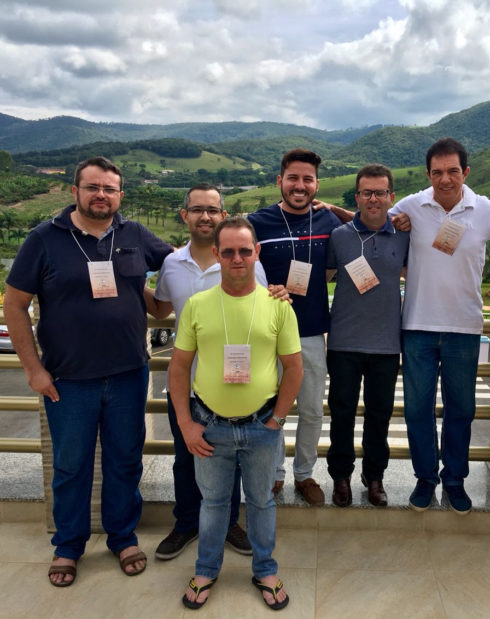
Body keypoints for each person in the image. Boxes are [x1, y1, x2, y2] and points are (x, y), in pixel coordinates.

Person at [4, 156, 172, 586]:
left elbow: (186, 265)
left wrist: (255, 281)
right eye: (93, 187)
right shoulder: (43, 239)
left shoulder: (135, 235)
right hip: (68, 380)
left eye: (109, 189)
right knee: (71, 466)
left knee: (124, 461)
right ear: (74, 191)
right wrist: (33, 369)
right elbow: (15, 305)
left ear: (120, 195)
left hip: (129, 375)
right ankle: (68, 545)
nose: (101, 195)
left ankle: (123, 537)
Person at [389, 138, 490, 514]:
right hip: (417, 325)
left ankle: (454, 480)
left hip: (464, 328)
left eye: (453, 171)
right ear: (428, 174)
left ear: (465, 172)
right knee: (416, 409)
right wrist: (333, 210)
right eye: (437, 172)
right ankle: (425, 478)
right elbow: (371, 222)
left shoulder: (484, 210)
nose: (445, 179)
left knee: (461, 409)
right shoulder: (412, 206)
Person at [170, 216, 302, 611]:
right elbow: (178, 368)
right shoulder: (198, 305)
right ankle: (206, 570)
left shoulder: (278, 305)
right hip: (209, 426)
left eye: (245, 250)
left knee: (261, 502)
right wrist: (186, 424)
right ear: (216, 254)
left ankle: (265, 570)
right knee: (212, 504)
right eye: (228, 252)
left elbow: (294, 368)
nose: (237, 258)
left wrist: (276, 421)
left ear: (257, 252)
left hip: (262, 425)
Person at [145, 183, 280, 560]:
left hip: (233, 386)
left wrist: (281, 294)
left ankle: (230, 523)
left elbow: (264, 307)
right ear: (184, 215)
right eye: (197, 209)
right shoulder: (172, 264)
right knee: (185, 457)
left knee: (231, 459)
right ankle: (186, 523)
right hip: (187, 384)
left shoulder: (246, 261)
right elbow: (161, 309)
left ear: (223, 215)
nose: (205, 216)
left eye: (212, 210)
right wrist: (130, 282)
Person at [247, 149, 346, 506]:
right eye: (293, 178)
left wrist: (337, 208)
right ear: (280, 181)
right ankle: (274, 473)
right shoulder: (257, 222)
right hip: (267, 334)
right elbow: (236, 265)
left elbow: (365, 231)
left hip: (311, 331)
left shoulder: (329, 221)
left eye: (307, 179)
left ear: (317, 184)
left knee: (312, 409)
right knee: (271, 408)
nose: (299, 185)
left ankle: (304, 474)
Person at [325, 164, 409, 508]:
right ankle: (340, 476)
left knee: (379, 415)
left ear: (391, 197)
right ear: (357, 197)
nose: (373, 199)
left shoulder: (405, 236)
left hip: (387, 344)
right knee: (341, 413)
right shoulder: (339, 236)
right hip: (343, 342)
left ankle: (374, 477)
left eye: (380, 192)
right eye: (366, 193)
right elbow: (323, 277)